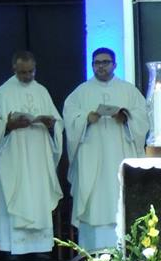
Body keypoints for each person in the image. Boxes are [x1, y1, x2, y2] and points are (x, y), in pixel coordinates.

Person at [63, 48, 148, 250]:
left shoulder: (128, 90)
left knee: (119, 197)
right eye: (97, 63)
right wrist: (86, 119)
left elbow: (143, 116)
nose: (101, 66)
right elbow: (70, 116)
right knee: (94, 201)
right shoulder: (81, 92)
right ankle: (92, 252)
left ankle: (122, 250)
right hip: (91, 157)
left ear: (115, 65)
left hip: (120, 154)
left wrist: (126, 118)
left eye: (105, 62)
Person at [0, 51, 63, 261]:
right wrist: (8, 125)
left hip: (38, 155)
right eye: (23, 72)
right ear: (14, 69)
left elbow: (57, 121)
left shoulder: (42, 91)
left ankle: (40, 247)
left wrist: (51, 124)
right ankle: (14, 247)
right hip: (13, 157)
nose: (28, 75)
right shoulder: (3, 93)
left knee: (37, 196)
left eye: (31, 71)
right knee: (16, 192)